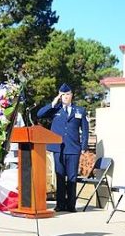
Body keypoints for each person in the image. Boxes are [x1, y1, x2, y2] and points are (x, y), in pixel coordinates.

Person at [37, 83, 89, 212]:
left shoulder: (80, 110)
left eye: (68, 94)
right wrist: (54, 102)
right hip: (58, 148)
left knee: (72, 177)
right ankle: (60, 204)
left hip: (73, 148)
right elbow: (40, 114)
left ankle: (71, 205)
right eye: (63, 94)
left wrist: (83, 146)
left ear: (72, 95)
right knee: (59, 175)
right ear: (60, 96)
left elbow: (85, 130)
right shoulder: (55, 109)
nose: (65, 97)